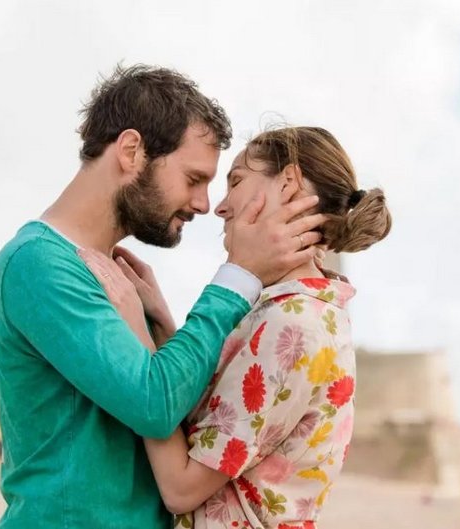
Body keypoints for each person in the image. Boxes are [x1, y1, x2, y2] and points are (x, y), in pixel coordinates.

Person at [0, 65, 326, 529]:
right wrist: (239, 276)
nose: (204, 203)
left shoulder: (118, 276)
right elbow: (155, 404)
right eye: (193, 178)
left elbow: (173, 407)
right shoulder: (37, 265)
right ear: (131, 151)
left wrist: (164, 326)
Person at [82, 126, 391, 528]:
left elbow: (181, 488)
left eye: (236, 181)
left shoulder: (291, 324)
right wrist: (160, 324)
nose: (220, 207)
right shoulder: (302, 308)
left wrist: (136, 338)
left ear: (289, 183)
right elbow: (218, 425)